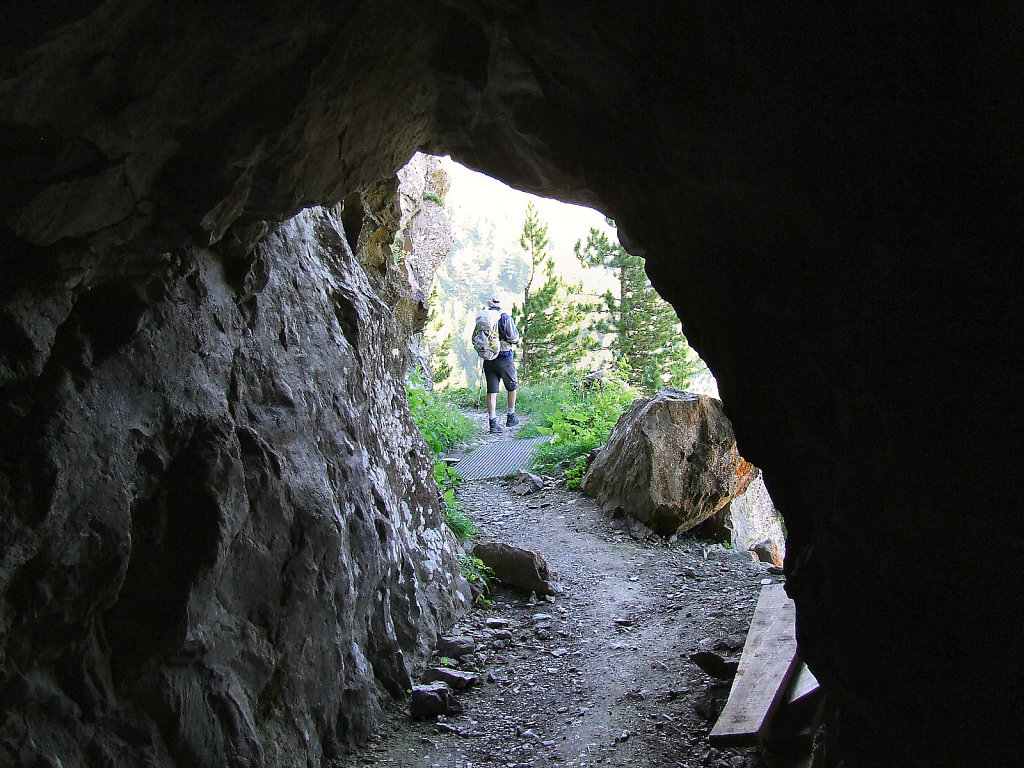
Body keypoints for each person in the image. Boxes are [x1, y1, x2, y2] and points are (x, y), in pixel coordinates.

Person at [480, 294, 521, 433]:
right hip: (504, 357)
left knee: (491, 391)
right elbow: (514, 337)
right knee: (512, 386)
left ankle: (493, 423)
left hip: (489, 358)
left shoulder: (484, 319)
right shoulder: (505, 318)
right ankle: (511, 416)